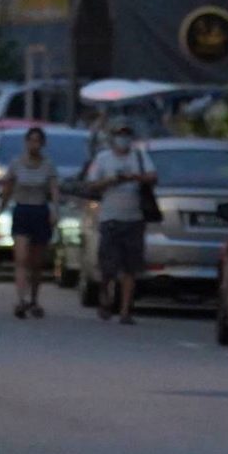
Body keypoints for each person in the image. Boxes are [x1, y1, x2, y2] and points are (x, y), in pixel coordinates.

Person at [79, 123, 154, 325]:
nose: (123, 139)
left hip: (134, 218)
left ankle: (125, 309)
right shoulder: (103, 158)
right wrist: (111, 180)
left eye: (127, 135)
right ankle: (106, 298)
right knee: (108, 267)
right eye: (120, 135)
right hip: (110, 218)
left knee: (130, 268)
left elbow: (152, 176)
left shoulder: (139, 156)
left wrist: (134, 177)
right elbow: (91, 184)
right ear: (112, 138)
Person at [0, 127, 60, 320]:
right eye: (31, 141)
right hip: (22, 211)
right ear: (26, 143)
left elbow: (54, 191)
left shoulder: (48, 166)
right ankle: (21, 299)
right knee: (21, 258)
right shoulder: (16, 164)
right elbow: (8, 189)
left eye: (38, 141)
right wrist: (1, 209)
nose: (34, 145)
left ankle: (34, 298)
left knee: (36, 262)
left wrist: (55, 211)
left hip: (39, 212)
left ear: (42, 144)